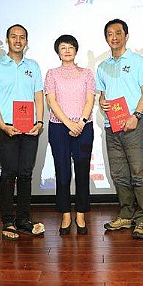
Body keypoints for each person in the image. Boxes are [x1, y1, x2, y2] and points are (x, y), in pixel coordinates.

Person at [0, 24, 45, 240]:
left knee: (26, 174)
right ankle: (8, 221)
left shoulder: (33, 66)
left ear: (26, 42)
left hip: (29, 128)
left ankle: (24, 220)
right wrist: (1, 124)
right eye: (13, 36)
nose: (18, 40)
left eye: (22, 37)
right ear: (7, 40)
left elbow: (38, 96)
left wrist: (39, 121)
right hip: (6, 127)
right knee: (9, 173)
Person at [96, 19, 143, 239]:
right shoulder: (102, 66)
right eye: (110, 34)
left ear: (126, 36)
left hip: (133, 124)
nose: (114, 37)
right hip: (112, 126)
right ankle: (127, 214)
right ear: (106, 38)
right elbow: (102, 95)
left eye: (118, 33)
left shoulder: (138, 62)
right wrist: (102, 102)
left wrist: (136, 115)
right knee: (119, 174)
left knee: (139, 173)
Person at [44, 35, 95, 235]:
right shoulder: (52, 74)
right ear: (58, 52)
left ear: (76, 50)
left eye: (70, 47)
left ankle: (80, 214)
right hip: (59, 128)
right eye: (63, 47)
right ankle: (65, 214)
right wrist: (68, 123)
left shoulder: (86, 73)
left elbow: (90, 100)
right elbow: (52, 101)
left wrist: (80, 123)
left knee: (82, 171)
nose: (67, 50)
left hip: (84, 127)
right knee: (62, 171)